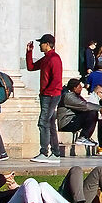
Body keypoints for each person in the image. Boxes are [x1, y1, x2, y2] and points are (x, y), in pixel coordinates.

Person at [24, 33, 65, 162]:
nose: (39, 45)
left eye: (41, 43)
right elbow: (31, 67)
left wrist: (47, 91)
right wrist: (29, 53)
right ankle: (55, 153)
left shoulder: (54, 58)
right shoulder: (46, 58)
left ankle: (44, 152)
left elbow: (56, 80)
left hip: (51, 95)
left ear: (47, 44)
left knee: (43, 122)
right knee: (50, 123)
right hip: (46, 95)